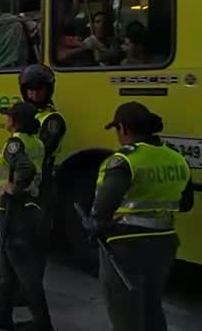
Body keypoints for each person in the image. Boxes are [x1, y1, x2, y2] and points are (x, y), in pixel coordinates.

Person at [92, 102, 193, 331]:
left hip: (125, 246)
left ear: (123, 128)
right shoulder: (176, 157)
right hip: (164, 243)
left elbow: (102, 209)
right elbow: (186, 204)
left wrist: (93, 226)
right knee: (152, 306)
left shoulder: (125, 160)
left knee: (125, 313)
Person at [0, 102, 54, 331]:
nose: (6, 120)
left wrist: (13, 186)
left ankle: (42, 322)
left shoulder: (15, 142)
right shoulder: (36, 141)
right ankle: (2, 315)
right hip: (32, 208)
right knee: (8, 269)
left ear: (16, 121)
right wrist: (0, 166)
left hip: (16, 210)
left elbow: (26, 169)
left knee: (25, 272)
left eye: (8, 117)